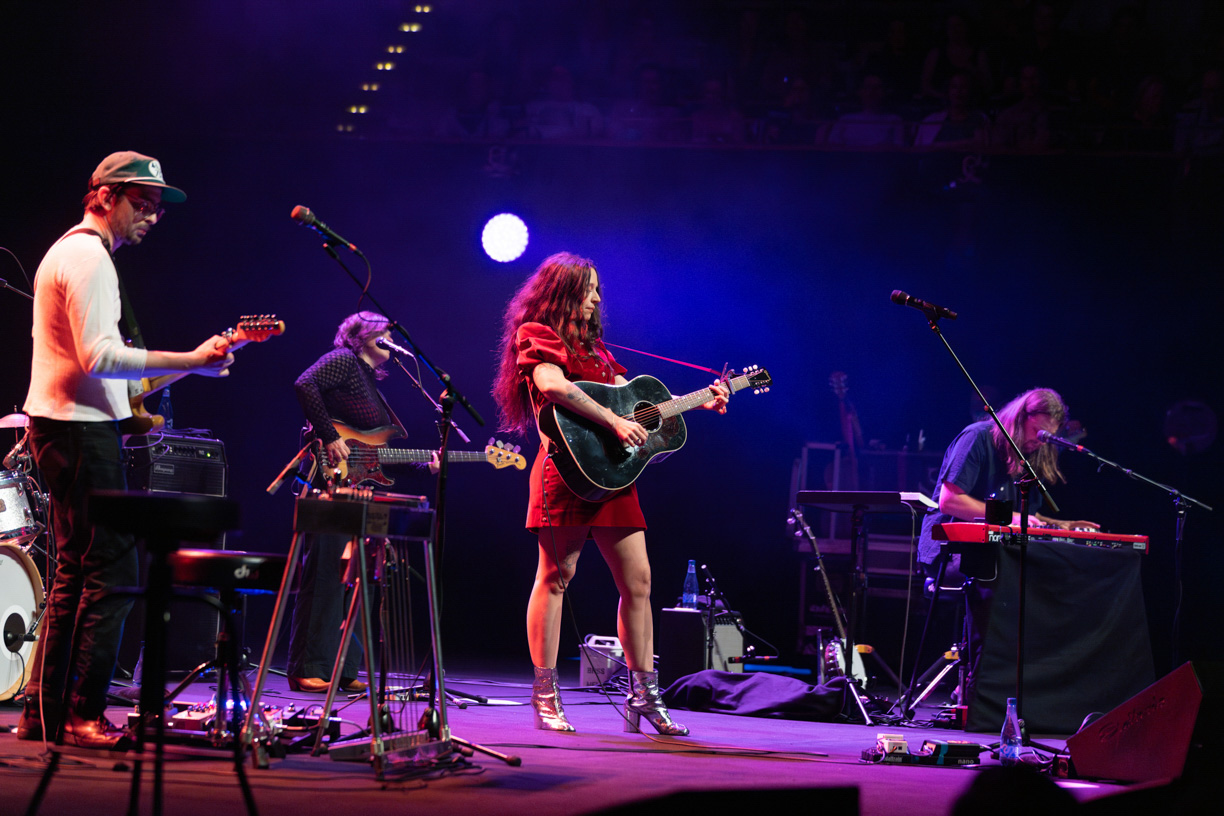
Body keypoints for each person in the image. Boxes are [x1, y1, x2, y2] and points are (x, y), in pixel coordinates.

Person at [18, 151, 234, 749]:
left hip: (66, 426)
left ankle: (44, 712)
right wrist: (191, 359)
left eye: (157, 207)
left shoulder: (73, 253)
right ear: (105, 196)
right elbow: (101, 358)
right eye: (142, 203)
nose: (152, 216)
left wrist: (194, 365)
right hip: (79, 432)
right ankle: (82, 713)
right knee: (113, 572)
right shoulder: (89, 258)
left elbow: (110, 375)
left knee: (77, 572)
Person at [492, 252, 729, 735]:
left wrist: (699, 401)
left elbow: (633, 400)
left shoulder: (596, 348)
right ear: (563, 292)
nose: (598, 298)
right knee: (556, 577)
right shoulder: (537, 333)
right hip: (566, 470)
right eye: (589, 289)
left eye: (597, 290)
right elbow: (552, 385)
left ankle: (644, 695)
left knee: (639, 583)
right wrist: (614, 422)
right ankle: (545, 695)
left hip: (614, 475)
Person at [916, 388, 1098, 704]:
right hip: (951, 554)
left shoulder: (1030, 453)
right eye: (1036, 432)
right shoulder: (977, 438)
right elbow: (950, 501)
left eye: (1047, 437)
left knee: (1053, 576)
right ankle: (979, 687)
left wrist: (1062, 525)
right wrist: (1009, 518)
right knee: (1006, 578)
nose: (1039, 441)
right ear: (1019, 417)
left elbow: (1025, 519)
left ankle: (1040, 688)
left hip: (998, 555)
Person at [285, 311, 404, 693]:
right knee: (324, 575)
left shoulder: (368, 379)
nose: (390, 338)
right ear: (362, 335)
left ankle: (343, 667)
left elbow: (374, 452)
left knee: (356, 581)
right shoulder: (343, 360)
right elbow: (305, 383)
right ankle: (308, 666)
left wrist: (426, 464)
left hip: (359, 488)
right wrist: (328, 434)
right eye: (384, 331)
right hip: (331, 482)